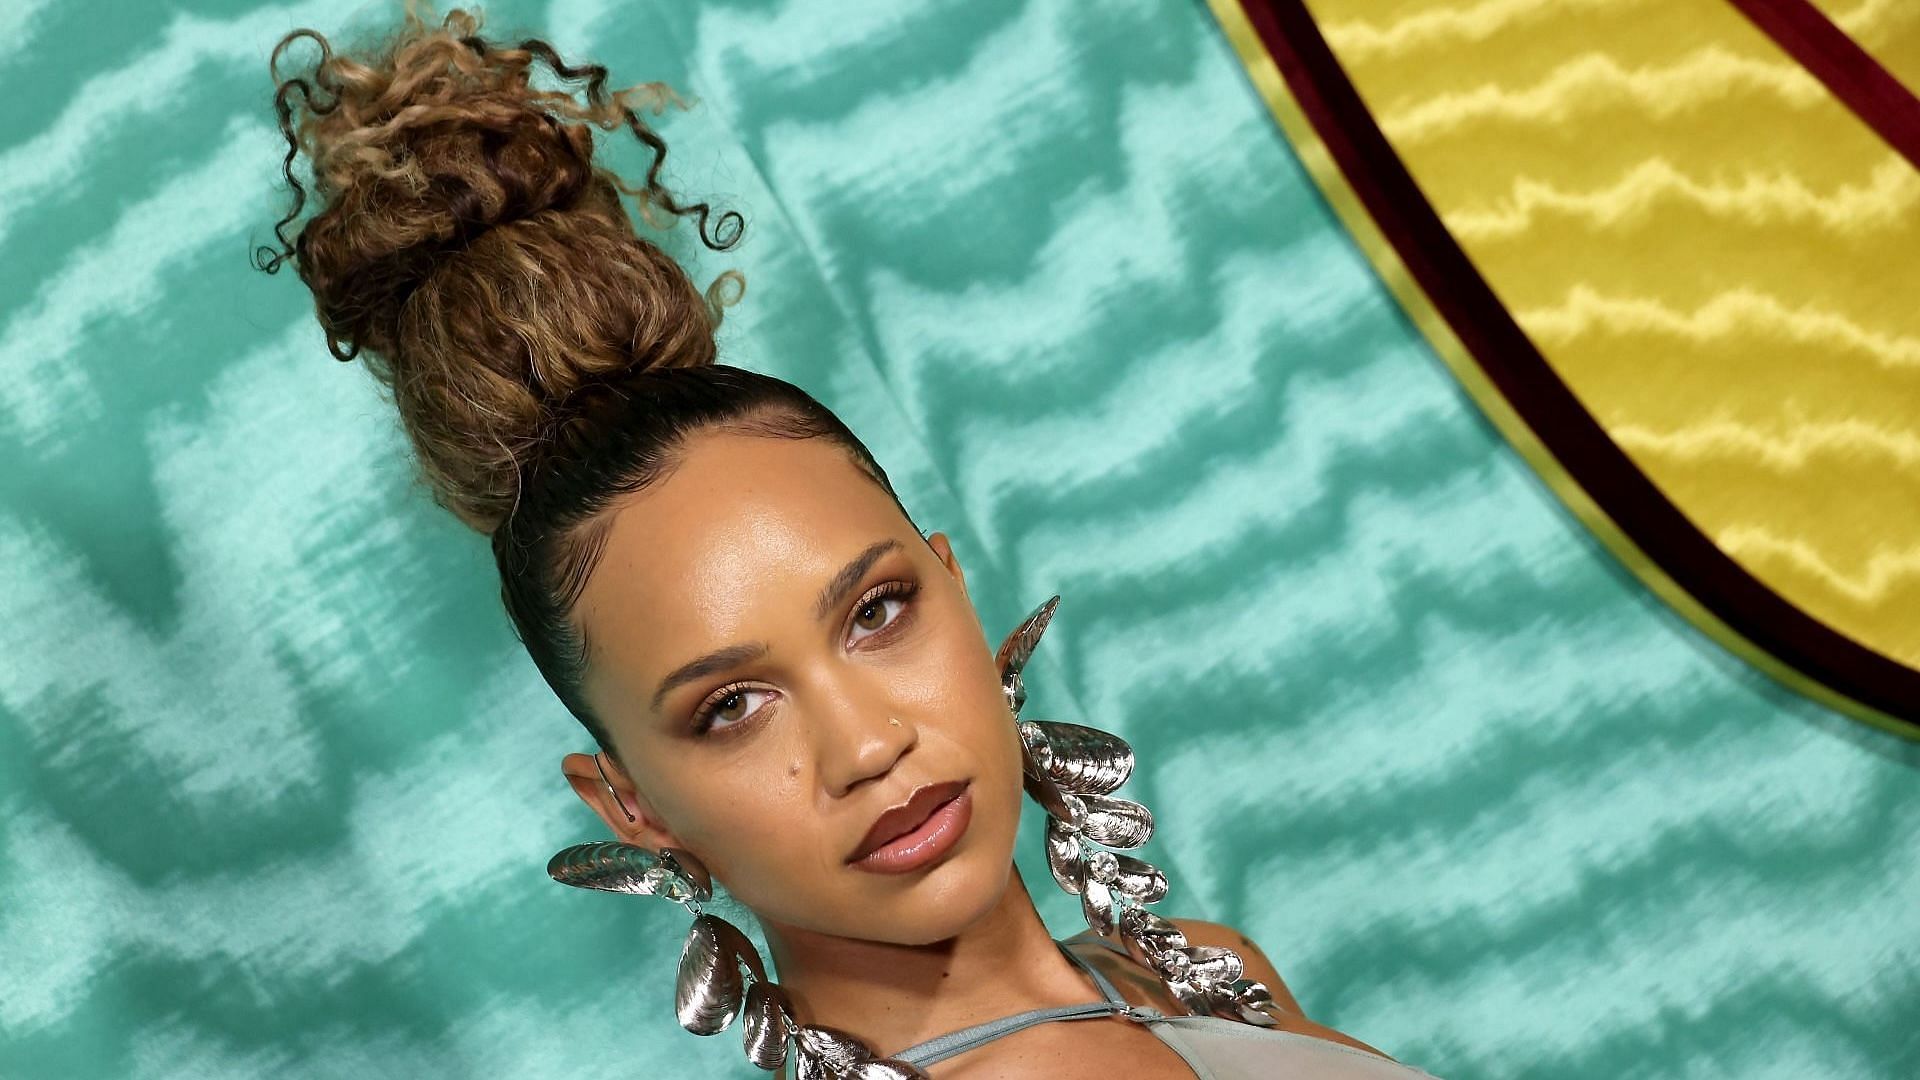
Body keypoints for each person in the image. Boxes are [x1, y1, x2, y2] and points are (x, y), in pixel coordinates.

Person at [258, 6, 1440, 1077]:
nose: (868, 743)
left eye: (876, 612)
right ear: (633, 810)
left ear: (955, 584)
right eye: (730, 707)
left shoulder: (1187, 972)